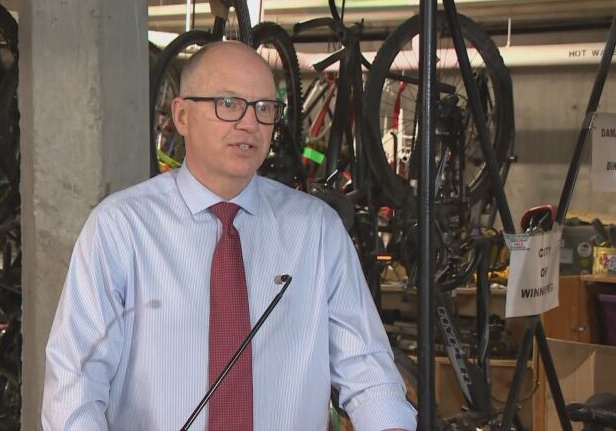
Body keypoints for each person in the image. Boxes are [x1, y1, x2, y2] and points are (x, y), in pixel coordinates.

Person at [42, 41, 416, 431]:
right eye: (228, 103)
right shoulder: (121, 228)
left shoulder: (317, 231)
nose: (249, 123)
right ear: (182, 115)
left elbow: (367, 370)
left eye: (264, 108)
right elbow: (75, 383)